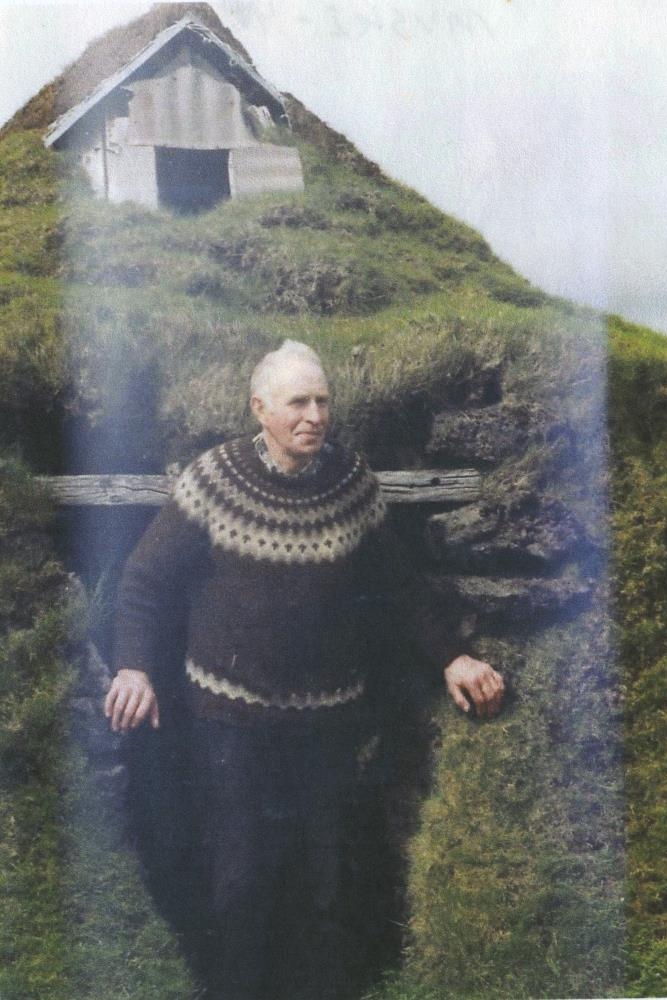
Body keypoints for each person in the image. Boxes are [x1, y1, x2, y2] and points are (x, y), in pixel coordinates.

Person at [105, 340, 504, 1000]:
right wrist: (134, 668)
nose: (314, 416)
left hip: (327, 727)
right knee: (238, 881)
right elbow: (146, 580)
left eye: (322, 401)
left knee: (323, 886)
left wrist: (452, 656)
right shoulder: (213, 481)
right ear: (260, 409)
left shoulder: (351, 483)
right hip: (230, 725)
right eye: (298, 402)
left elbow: (399, 586)